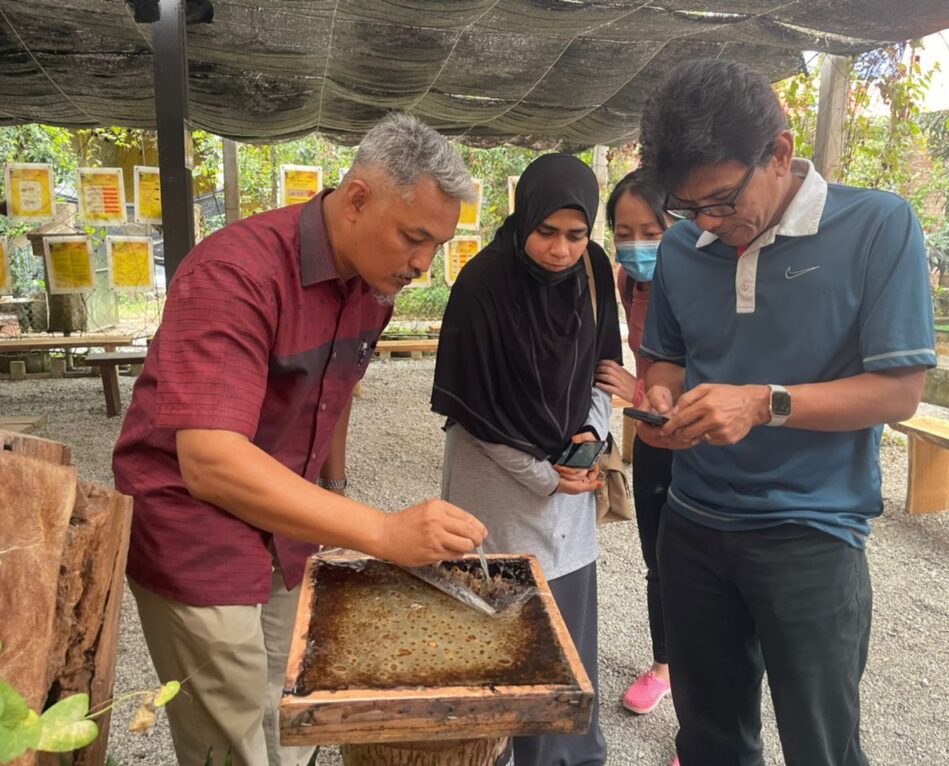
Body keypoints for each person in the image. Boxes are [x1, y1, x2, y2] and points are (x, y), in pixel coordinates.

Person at [112, 113, 487, 766]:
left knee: (290, 713)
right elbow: (210, 462)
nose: (424, 264)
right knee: (231, 737)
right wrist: (379, 531)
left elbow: (332, 394)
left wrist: (334, 493)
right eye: (414, 237)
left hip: (284, 520)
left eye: (438, 245)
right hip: (192, 530)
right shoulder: (235, 273)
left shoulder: (373, 285)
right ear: (358, 198)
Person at [635, 59, 936, 766]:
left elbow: (899, 391)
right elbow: (668, 357)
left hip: (811, 532)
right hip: (694, 525)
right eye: (690, 208)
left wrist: (764, 403)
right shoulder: (683, 246)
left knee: (821, 746)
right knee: (710, 738)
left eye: (721, 200)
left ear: (779, 150)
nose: (709, 223)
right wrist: (660, 397)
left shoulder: (878, 226)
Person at [431, 153, 621, 766]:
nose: (562, 250)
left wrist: (590, 437)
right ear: (522, 220)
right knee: (502, 626)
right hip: (500, 490)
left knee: (563, 625)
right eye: (546, 232)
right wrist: (546, 474)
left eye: (576, 234)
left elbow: (604, 369)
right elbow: (475, 408)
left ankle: (564, 753)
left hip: (570, 486)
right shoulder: (483, 284)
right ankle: (494, 750)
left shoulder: (592, 271)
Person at [593, 170, 674, 715]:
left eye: (652, 230)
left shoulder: (704, 282)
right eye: (624, 231)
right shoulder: (628, 281)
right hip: (652, 438)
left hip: (702, 446)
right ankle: (665, 666)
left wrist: (639, 391)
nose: (637, 244)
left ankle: (703, 719)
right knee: (657, 561)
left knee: (702, 572)